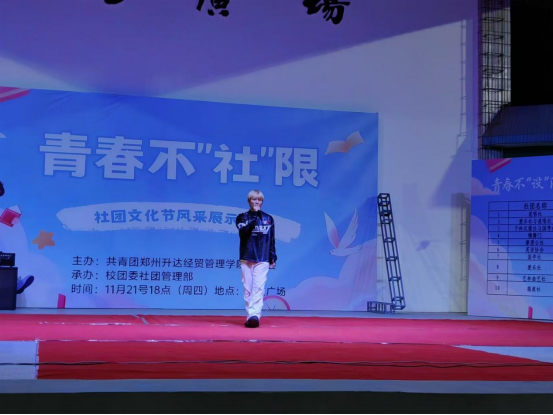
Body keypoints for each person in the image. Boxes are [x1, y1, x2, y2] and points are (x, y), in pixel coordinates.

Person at [235, 190, 277, 328]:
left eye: (259, 200)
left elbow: (271, 239)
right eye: (254, 199)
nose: (257, 202)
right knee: (248, 288)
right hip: (247, 257)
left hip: (263, 257)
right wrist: (255, 217)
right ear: (249, 201)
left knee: (259, 287)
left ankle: (255, 316)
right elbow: (244, 232)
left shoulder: (268, 218)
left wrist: (273, 256)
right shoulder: (242, 217)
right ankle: (250, 315)